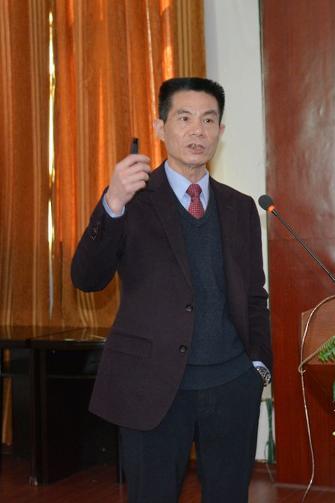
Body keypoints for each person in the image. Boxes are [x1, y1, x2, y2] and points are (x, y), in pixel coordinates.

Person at [71, 77, 272, 503]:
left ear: (220, 130)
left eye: (209, 120)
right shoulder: (131, 201)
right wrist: (112, 203)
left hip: (231, 385)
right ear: (160, 127)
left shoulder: (239, 207)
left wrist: (257, 366)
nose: (198, 130)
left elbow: (255, 295)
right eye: (184, 118)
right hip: (152, 386)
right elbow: (86, 278)